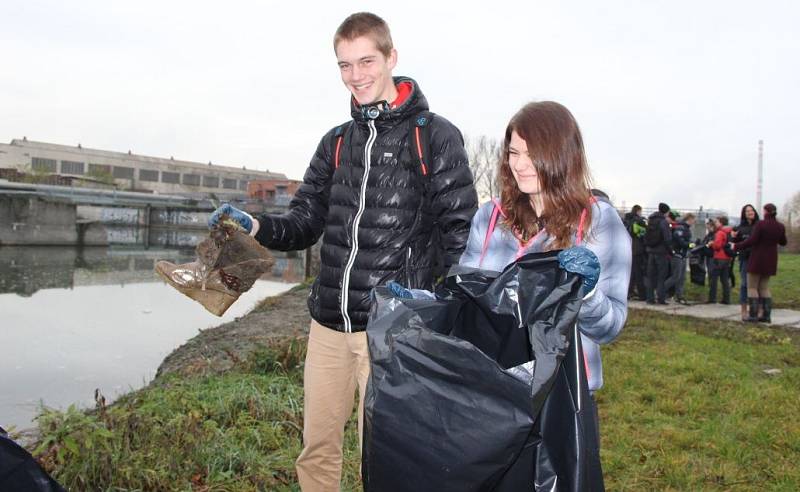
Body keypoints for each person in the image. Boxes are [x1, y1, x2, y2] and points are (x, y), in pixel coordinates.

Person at [208, 12, 478, 490]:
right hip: (328, 325)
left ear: (391, 57)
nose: (356, 76)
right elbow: (303, 223)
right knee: (317, 450)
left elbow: (460, 234)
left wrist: (439, 312)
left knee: (382, 457)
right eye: (344, 65)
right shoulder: (335, 142)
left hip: (392, 330)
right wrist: (252, 224)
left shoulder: (434, 136)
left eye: (366, 61)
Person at [459, 101, 630, 400]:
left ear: (562, 156)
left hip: (560, 395)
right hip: (489, 388)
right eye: (514, 153)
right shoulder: (489, 217)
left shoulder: (597, 221)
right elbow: (467, 301)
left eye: (532, 154)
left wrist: (587, 295)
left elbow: (610, 327)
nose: (520, 164)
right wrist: (425, 304)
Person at [732, 203, 787, 323]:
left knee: (752, 287)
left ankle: (753, 315)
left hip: (757, 258)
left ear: (765, 211)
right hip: (771, 259)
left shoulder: (761, 224)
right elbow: (783, 242)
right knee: (764, 288)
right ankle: (766, 316)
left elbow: (752, 240)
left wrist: (736, 246)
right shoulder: (780, 226)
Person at [732, 204, 759, 320]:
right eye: (747, 211)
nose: (750, 212)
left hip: (757, 258)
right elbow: (735, 243)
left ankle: (757, 310)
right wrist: (733, 237)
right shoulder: (740, 228)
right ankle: (744, 310)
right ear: (744, 213)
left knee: (757, 285)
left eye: (751, 210)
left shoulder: (759, 226)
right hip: (744, 259)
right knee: (744, 284)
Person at [644, 202, 673, 304]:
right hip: (661, 252)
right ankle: (661, 298)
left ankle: (650, 298)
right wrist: (671, 251)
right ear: (666, 211)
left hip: (650, 251)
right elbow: (667, 238)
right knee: (661, 276)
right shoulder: (663, 222)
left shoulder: (651, 220)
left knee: (651, 276)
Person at [665, 211, 695, 303]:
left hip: (683, 256)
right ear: (689, 219)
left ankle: (679, 295)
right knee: (675, 277)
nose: (694, 222)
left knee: (682, 278)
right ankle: (661, 291)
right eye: (693, 220)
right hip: (677, 255)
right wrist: (691, 245)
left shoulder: (686, 228)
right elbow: (681, 242)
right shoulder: (681, 228)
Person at [707, 215, 734, 304]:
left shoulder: (720, 232)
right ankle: (726, 299)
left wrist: (712, 244)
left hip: (719, 257)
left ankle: (712, 298)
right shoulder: (729, 231)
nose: (715, 223)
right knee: (724, 279)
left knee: (713, 279)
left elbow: (717, 246)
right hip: (727, 257)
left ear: (721, 223)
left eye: (717, 222)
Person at [623, 204, 647, 300]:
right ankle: (642, 294)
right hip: (636, 250)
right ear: (638, 211)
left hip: (626, 249)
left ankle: (629, 292)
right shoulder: (638, 221)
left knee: (630, 273)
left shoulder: (625, 221)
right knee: (638, 272)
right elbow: (641, 234)